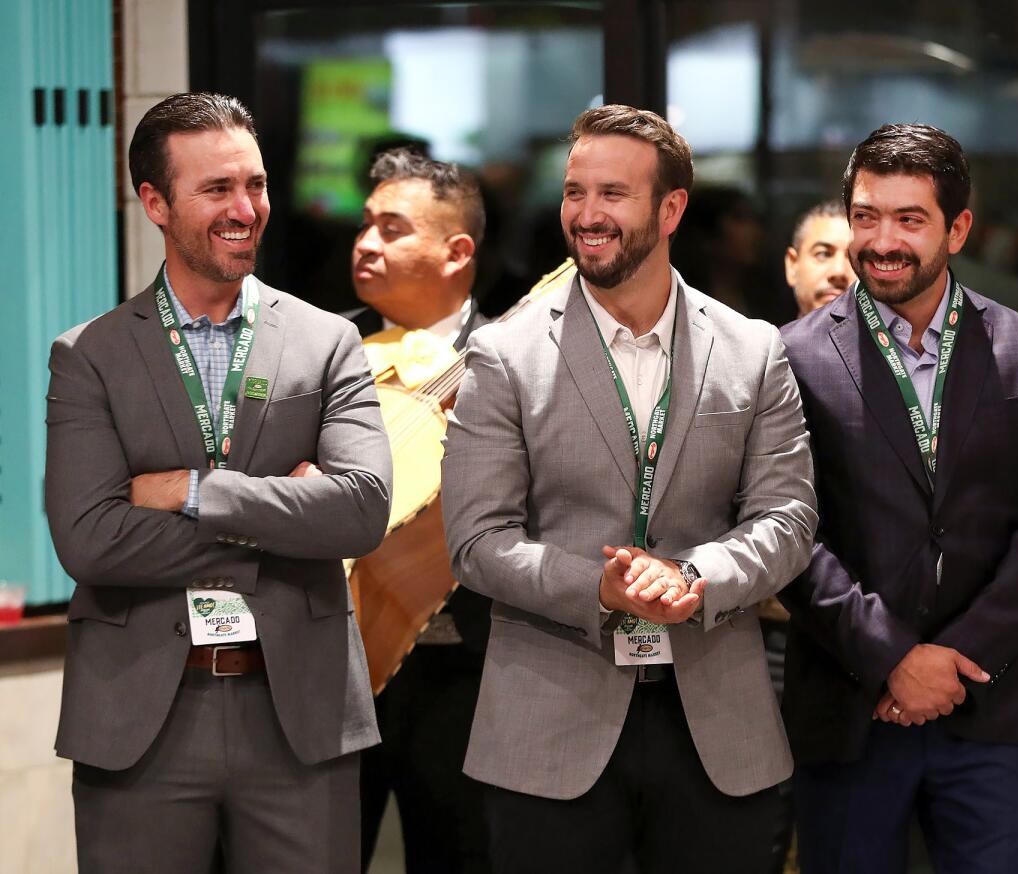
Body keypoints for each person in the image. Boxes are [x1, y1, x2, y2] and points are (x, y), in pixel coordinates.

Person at [440, 104, 818, 874]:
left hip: (717, 726)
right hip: (549, 724)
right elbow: (477, 542)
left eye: (612, 194)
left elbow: (788, 517)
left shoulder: (752, 349)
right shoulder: (504, 355)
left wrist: (695, 576)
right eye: (575, 193)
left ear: (671, 208)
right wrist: (600, 588)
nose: (586, 215)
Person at [45, 92, 391, 873]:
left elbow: (361, 510)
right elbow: (91, 540)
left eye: (256, 185)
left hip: (298, 718)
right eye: (217, 190)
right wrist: (288, 515)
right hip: (142, 723)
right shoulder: (89, 356)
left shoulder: (326, 341)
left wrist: (195, 493)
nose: (246, 209)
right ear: (154, 203)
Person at [780, 123, 1018, 874]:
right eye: (866, 216)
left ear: (959, 228)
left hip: (992, 703)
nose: (883, 240)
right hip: (851, 703)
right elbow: (788, 530)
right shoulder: (792, 355)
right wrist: (893, 657)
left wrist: (954, 658)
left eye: (910, 220)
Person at [348, 148, 491, 874]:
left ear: (455, 252)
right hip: (337, 668)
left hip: (470, 673)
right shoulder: (319, 350)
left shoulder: (515, 360)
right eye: (366, 224)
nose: (367, 243)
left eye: (393, 228)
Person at [784, 199, 855, 317]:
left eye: (854, 258)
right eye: (823, 254)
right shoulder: (768, 336)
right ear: (792, 265)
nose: (838, 271)